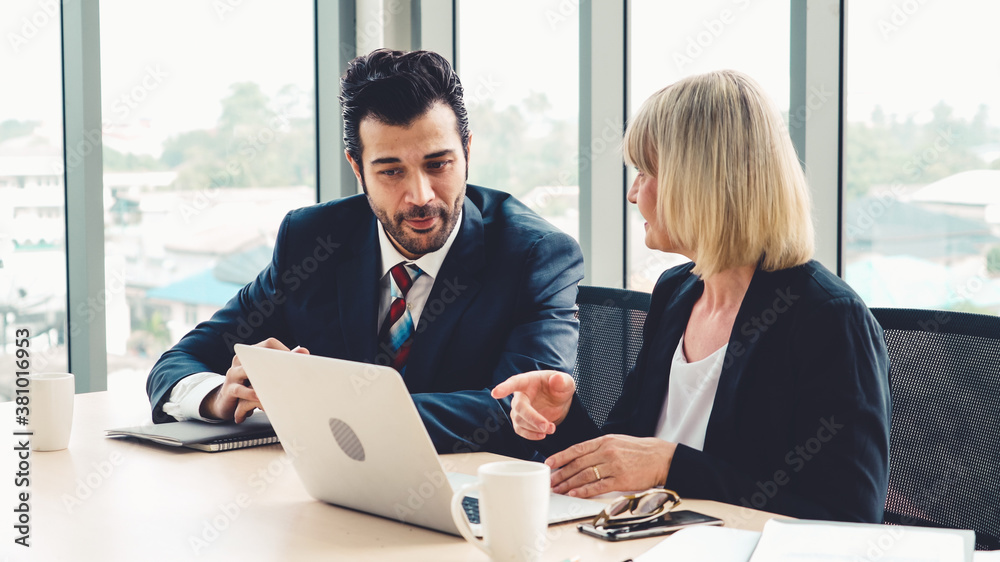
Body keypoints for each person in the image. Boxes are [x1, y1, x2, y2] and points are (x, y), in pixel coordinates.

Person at [493, 70, 891, 522]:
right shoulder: (677, 292)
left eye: (645, 172)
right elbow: (628, 451)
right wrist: (562, 416)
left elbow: (848, 518)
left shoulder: (828, 318)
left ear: (699, 181)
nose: (632, 193)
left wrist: (670, 467)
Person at [146, 49, 584, 459]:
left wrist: (325, 408)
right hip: (321, 495)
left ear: (466, 152)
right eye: (391, 170)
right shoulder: (312, 239)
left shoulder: (534, 256)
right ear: (357, 168)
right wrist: (219, 397)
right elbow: (178, 363)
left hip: (463, 504)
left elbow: (515, 411)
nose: (420, 196)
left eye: (438, 164)